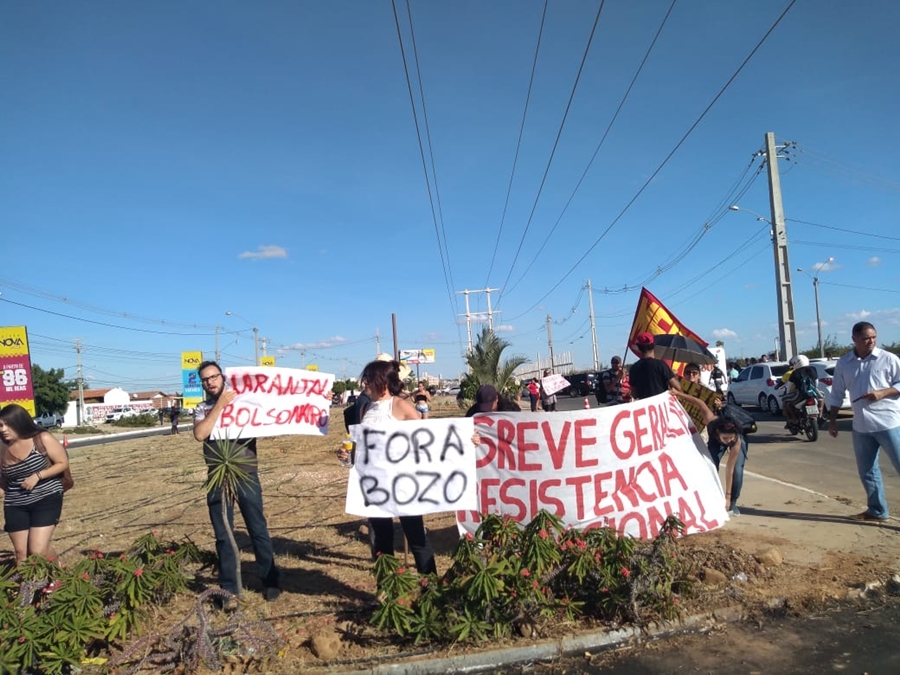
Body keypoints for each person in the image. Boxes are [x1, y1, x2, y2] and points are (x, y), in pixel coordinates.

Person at [192, 361, 281, 603]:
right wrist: (220, 406)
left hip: (246, 474)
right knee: (223, 533)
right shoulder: (202, 408)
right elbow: (201, 434)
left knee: (257, 528)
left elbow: (279, 411)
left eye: (214, 377)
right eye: (205, 379)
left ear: (223, 377)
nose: (210, 382)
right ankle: (228, 587)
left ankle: (270, 580)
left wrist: (316, 397)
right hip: (218, 476)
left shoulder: (246, 403)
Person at [355, 359, 437, 574]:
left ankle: (431, 591)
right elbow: (361, 448)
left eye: (368, 379)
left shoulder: (401, 406)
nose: (364, 383)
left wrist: (467, 440)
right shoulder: (365, 409)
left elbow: (429, 439)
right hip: (377, 485)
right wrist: (347, 455)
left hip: (403, 484)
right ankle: (389, 590)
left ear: (381, 382)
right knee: (382, 541)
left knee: (416, 537)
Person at [828, 322, 900, 522]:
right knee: (867, 471)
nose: (871, 342)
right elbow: (836, 393)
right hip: (861, 426)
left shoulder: (889, 359)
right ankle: (877, 510)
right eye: (866, 338)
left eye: (874, 337)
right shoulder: (844, 363)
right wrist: (832, 421)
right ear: (854, 339)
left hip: (889, 423)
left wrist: (883, 392)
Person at [0, 404, 70, 563]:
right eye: (0, 425)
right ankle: (27, 587)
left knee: (37, 550)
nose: (3, 429)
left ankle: (56, 573)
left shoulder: (41, 438)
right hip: (15, 503)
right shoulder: (2, 447)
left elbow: (62, 462)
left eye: (7, 424)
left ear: (19, 422)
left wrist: (38, 475)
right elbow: (3, 480)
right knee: (21, 554)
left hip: (46, 498)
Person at [673, 391, 747, 516]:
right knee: (710, 466)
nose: (728, 440)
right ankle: (709, 497)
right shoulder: (711, 421)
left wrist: (728, 497)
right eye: (726, 438)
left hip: (738, 441)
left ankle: (733, 503)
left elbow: (730, 469)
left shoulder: (736, 440)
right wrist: (677, 394)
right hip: (714, 441)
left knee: (738, 471)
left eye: (730, 438)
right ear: (719, 432)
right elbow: (699, 402)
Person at [627, 332, 682, 400]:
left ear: (638, 348)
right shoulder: (661, 364)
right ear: (654, 345)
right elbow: (677, 387)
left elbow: (634, 394)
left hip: (645, 407)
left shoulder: (634, 368)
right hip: (660, 405)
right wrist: (674, 375)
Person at [779, 355, 823, 431]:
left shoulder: (795, 373)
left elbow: (789, 386)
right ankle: (821, 411)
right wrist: (814, 390)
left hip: (801, 394)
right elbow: (816, 382)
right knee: (822, 397)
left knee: (786, 401)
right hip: (812, 392)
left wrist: (788, 394)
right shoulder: (813, 369)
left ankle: (793, 419)